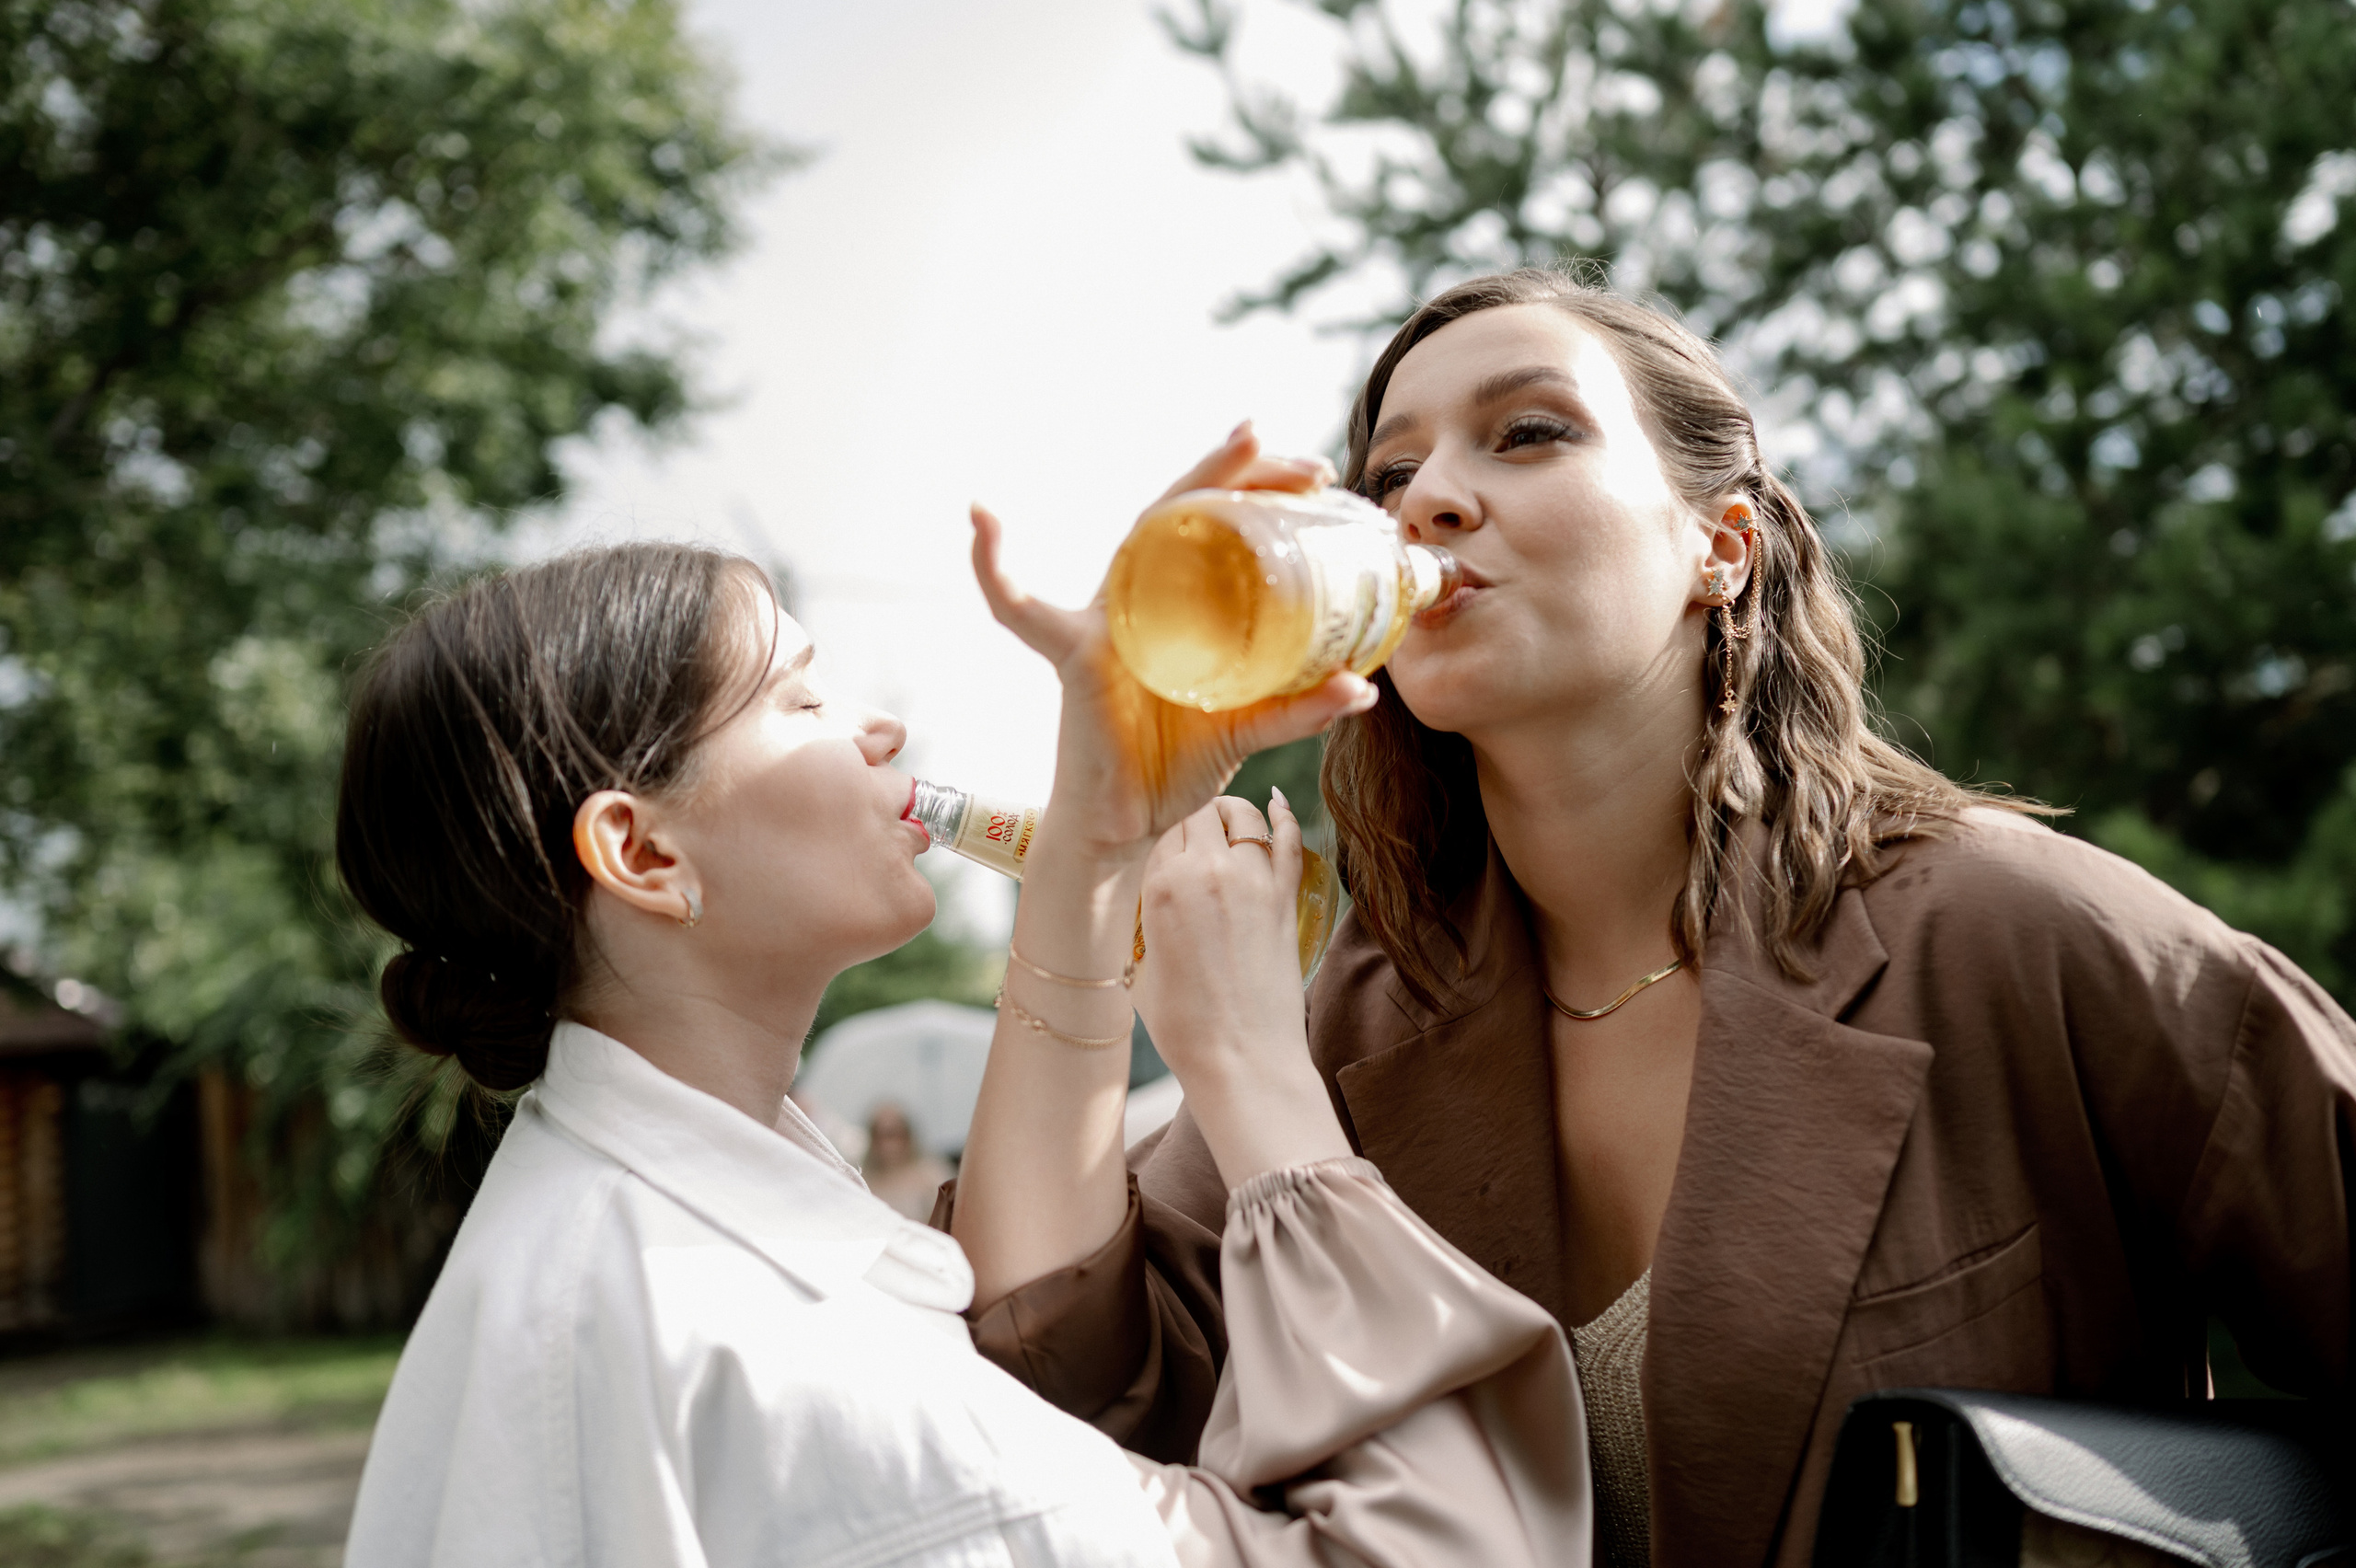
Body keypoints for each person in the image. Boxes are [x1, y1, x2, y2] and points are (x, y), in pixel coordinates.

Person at [946, 271, 2356, 1568]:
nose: (1429, 494)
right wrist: (1097, 842)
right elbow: (1065, 1381)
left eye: (1529, 433)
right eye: (1392, 470)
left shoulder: (2010, 932)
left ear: (1722, 549)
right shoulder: (1359, 1022)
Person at [333, 536, 1591, 1567]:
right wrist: (1250, 1059)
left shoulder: (608, 1220)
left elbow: (1019, 1322)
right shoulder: (784, 1358)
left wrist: (1099, 835)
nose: (875, 731)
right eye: (802, 700)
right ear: (647, 856)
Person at [860, 1101, 952, 1222]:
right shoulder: (862, 1182)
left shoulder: (932, 1176)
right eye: (879, 1136)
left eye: (892, 1135)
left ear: (907, 1136)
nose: (887, 1145)